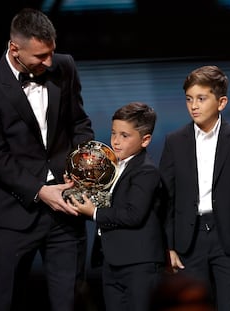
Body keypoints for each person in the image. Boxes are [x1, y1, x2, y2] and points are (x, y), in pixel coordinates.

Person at [0, 8, 94, 311]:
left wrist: (81, 164)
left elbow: (79, 123)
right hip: (16, 216)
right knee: (6, 301)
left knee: (71, 301)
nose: (48, 62)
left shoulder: (65, 66)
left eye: (51, 52)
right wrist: (39, 190)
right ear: (14, 49)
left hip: (67, 211)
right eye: (40, 56)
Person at [159, 65, 230, 311]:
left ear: (222, 102)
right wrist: (169, 246)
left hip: (228, 241)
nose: (193, 105)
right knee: (192, 304)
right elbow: (167, 199)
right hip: (189, 240)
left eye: (201, 98)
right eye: (189, 99)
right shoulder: (174, 141)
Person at [67, 102, 167, 311]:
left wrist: (93, 212)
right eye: (114, 133)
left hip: (139, 264)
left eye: (124, 135)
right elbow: (102, 205)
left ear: (145, 140)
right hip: (112, 262)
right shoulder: (111, 168)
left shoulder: (146, 171)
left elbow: (133, 214)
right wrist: (76, 190)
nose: (116, 141)